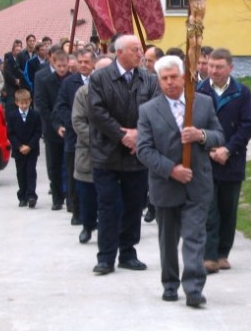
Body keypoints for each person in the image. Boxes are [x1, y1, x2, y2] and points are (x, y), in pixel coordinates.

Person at [136, 55, 224, 307]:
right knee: (168, 240)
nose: (170, 82)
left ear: (184, 77)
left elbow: (219, 135)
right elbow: (144, 149)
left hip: (197, 184)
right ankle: (170, 283)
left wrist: (201, 135)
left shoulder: (203, 104)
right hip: (166, 185)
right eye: (164, 79)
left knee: (195, 237)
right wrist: (171, 170)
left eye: (174, 77)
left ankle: (194, 288)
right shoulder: (148, 110)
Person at [88, 35, 160, 275]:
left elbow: (156, 108)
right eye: (135, 49)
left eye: (140, 49)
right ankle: (106, 257)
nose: (141, 53)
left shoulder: (149, 81)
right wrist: (123, 135)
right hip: (106, 153)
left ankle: (128, 252)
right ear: (120, 52)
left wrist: (139, 134)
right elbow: (97, 113)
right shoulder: (100, 78)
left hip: (136, 155)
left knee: (133, 204)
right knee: (108, 205)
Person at [197, 48, 251, 273]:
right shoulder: (199, 91)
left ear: (230, 68)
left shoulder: (242, 92)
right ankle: (208, 255)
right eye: (211, 66)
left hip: (232, 160)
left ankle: (223, 253)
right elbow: (193, 123)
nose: (213, 70)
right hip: (206, 159)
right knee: (208, 208)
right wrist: (210, 148)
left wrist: (228, 150)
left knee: (228, 208)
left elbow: (247, 125)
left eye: (219, 67)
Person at [71, 55, 113, 244]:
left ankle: (111, 229)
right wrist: (97, 139)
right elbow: (77, 121)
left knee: (110, 197)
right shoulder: (83, 93)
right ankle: (88, 226)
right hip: (88, 151)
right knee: (87, 194)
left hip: (114, 152)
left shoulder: (120, 91)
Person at [52, 49, 96, 226]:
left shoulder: (100, 81)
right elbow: (60, 106)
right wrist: (72, 123)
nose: (83, 65)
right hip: (74, 137)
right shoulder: (70, 82)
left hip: (98, 135)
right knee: (74, 174)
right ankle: (76, 211)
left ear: (93, 63)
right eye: (80, 61)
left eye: (86, 62)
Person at [161, 0, 233, 81]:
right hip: (191, 23)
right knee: (193, 44)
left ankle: (195, 66)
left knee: (199, 44)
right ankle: (192, 68)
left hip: (199, 24)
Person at [34, 49, 70, 210]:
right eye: (59, 66)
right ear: (53, 64)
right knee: (54, 164)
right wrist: (56, 126)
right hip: (52, 128)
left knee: (69, 165)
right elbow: (43, 105)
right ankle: (57, 197)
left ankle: (70, 196)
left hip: (70, 127)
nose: (62, 69)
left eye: (64, 66)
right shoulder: (45, 80)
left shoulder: (71, 80)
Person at [6, 89, 43, 208]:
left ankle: (31, 195)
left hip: (32, 149)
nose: (24, 105)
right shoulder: (12, 116)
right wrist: (19, 146)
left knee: (31, 172)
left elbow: (38, 132)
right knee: (21, 173)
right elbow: (10, 133)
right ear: (17, 103)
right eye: (22, 103)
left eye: (26, 103)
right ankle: (22, 196)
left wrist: (30, 146)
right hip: (19, 150)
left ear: (30, 102)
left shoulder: (35, 115)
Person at [141, 44, 164, 223]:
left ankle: (154, 206)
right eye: (146, 60)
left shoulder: (163, 80)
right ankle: (149, 204)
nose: (147, 64)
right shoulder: (142, 78)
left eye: (150, 61)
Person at [3, 40, 24, 113]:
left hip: (21, 86)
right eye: (17, 50)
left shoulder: (22, 60)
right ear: (13, 51)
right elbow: (7, 73)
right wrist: (15, 80)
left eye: (20, 51)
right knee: (11, 105)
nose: (18, 52)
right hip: (11, 87)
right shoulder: (9, 61)